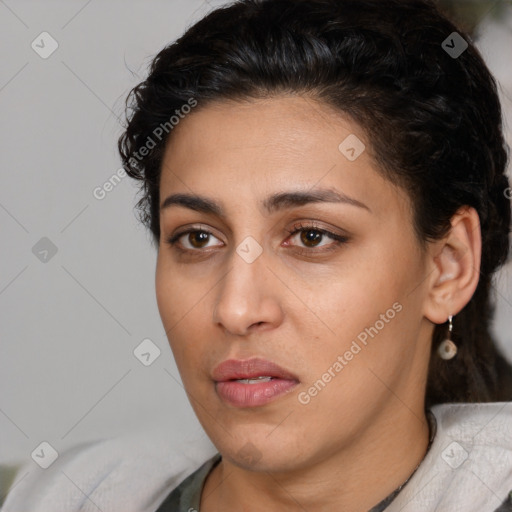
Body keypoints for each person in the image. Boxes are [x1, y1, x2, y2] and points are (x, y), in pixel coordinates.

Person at [2, 0, 512, 510]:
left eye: (312, 237)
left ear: (448, 266)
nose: (236, 309)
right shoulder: (70, 496)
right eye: (198, 238)